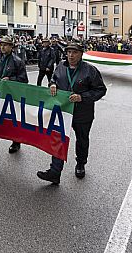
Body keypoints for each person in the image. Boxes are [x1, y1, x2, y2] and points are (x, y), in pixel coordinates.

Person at [37, 42, 107, 185]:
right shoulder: (61, 66)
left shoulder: (90, 70)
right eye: (69, 52)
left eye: (74, 52)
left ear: (81, 54)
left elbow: (101, 90)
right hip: (63, 112)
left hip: (83, 113)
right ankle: (55, 172)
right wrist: (52, 85)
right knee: (58, 139)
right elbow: (53, 79)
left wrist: (83, 97)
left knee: (82, 140)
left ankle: (81, 163)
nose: (71, 55)